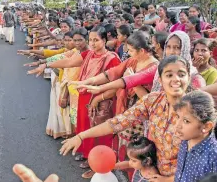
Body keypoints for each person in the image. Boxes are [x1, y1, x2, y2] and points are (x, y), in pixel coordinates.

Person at [60, 55, 193, 182]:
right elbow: (118, 122)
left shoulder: (196, 110)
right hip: (150, 173)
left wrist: (167, 180)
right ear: (160, 79)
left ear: (189, 77)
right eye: (169, 75)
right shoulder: (153, 100)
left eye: (181, 74)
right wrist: (81, 136)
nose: (176, 79)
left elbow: (201, 159)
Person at [29, 26, 121, 179]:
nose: (92, 43)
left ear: (104, 40)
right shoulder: (89, 54)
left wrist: (98, 98)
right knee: (85, 128)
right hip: (84, 98)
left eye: (96, 40)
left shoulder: (112, 58)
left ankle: (100, 166)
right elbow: (69, 62)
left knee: (99, 134)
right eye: (90, 40)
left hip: (101, 101)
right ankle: (89, 157)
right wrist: (46, 65)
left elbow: (116, 85)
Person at [174, 91, 217, 182]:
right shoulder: (185, 141)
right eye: (177, 116)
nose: (177, 125)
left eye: (186, 121)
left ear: (206, 127)